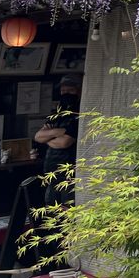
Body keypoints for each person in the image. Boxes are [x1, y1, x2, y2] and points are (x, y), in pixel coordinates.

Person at [33, 74, 82, 206]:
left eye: (70, 90)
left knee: (67, 210)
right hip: (51, 173)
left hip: (69, 174)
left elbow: (65, 142)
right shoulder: (57, 113)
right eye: (63, 91)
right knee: (51, 208)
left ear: (79, 90)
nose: (66, 94)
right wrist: (58, 132)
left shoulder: (80, 113)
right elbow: (38, 137)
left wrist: (48, 137)